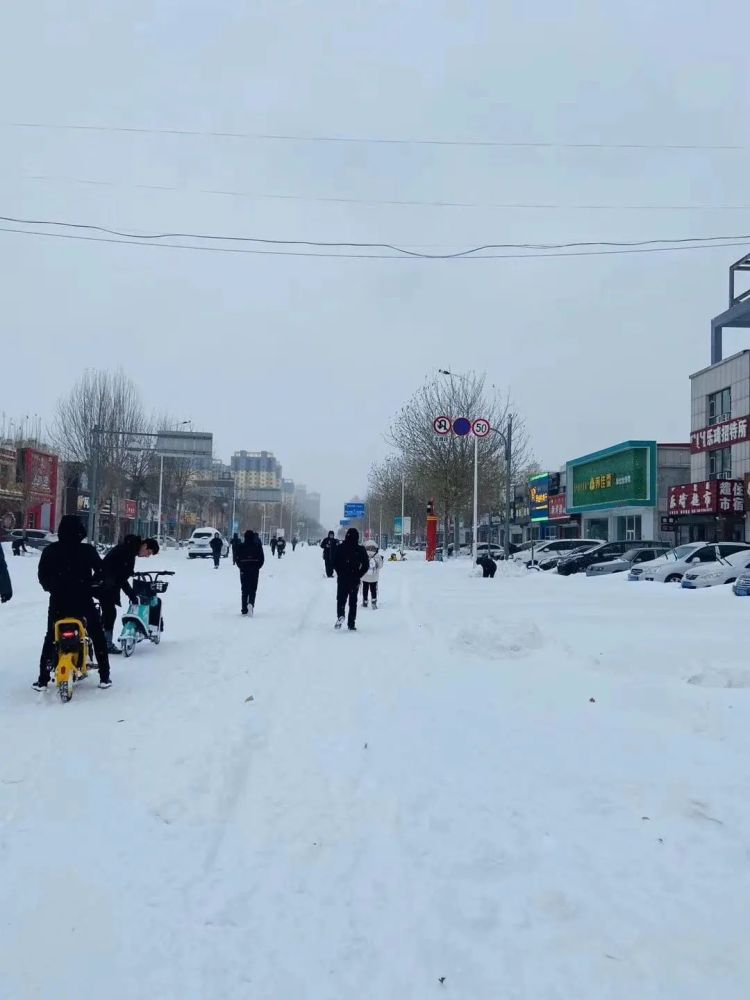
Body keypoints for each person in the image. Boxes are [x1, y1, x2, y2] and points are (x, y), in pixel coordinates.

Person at [34, 515, 111, 691]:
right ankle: (105, 676)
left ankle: (42, 679)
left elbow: (42, 575)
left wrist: (53, 587)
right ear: (80, 531)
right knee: (97, 634)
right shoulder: (87, 550)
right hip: (83, 599)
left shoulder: (50, 551)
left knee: (51, 636)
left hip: (58, 601)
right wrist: (93, 584)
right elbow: (102, 571)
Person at [99, 534, 159, 653]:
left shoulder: (129, 548)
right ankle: (105, 644)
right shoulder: (128, 552)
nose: (147, 556)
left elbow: (120, 572)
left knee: (107, 613)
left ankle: (101, 639)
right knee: (109, 613)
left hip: (105, 583)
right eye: (149, 552)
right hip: (105, 584)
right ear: (145, 545)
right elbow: (120, 576)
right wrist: (131, 594)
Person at [333, 527, 369, 630]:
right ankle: (351, 623)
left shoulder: (340, 547)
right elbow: (366, 565)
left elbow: (334, 562)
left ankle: (340, 614)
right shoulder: (360, 549)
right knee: (353, 602)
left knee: (341, 599)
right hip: (354, 579)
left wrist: (340, 572)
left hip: (343, 578)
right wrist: (359, 574)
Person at [235, 528, 265, 615]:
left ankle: (244, 609)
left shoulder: (241, 546)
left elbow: (237, 558)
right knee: (253, 589)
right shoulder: (257, 546)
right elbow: (262, 559)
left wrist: (241, 566)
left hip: (244, 570)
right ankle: (251, 603)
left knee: (244, 590)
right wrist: (257, 567)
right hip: (254, 570)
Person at [362, 539, 384, 609]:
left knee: (365, 589)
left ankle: (365, 601)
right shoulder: (377, 555)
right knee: (373, 589)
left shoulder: (363, 554)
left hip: (365, 576)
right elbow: (380, 566)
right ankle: (374, 602)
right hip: (374, 577)